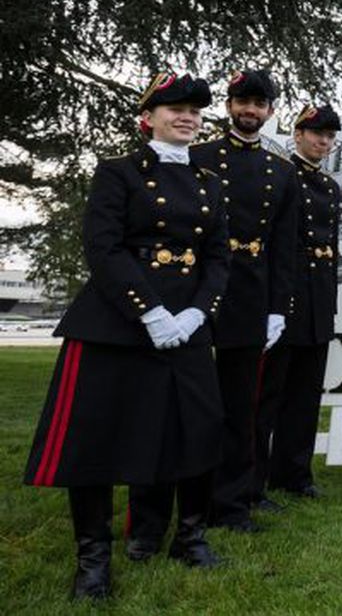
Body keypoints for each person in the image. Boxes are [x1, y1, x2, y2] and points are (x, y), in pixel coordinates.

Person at [24, 73, 230, 599]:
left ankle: (189, 537)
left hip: (186, 327)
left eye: (195, 111)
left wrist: (194, 315)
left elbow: (218, 259)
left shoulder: (208, 182)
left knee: (196, 431)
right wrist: (152, 312)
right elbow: (103, 247)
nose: (187, 117)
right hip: (117, 322)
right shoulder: (118, 172)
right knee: (95, 441)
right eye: (175, 109)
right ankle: (93, 562)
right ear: (150, 117)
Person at [182, 69, 300, 531]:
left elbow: (283, 249)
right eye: (243, 101)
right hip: (196, 293)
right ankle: (186, 495)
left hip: (250, 298)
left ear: (270, 112)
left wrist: (277, 309)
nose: (251, 110)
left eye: (260, 103)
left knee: (239, 408)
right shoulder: (196, 157)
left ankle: (230, 505)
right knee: (192, 402)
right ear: (229, 106)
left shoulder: (282, 172)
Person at [253, 105, 342, 500]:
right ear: (298, 134)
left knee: (306, 397)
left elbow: (331, 249)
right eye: (316, 133)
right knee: (267, 398)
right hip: (285, 299)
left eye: (329, 136)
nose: (324, 142)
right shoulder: (279, 176)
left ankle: (295, 475)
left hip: (318, 300)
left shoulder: (330, 187)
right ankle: (252, 482)